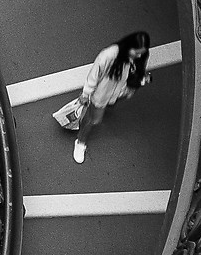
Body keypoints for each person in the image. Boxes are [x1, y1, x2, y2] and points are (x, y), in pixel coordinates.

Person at [56, 31, 154, 164]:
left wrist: (141, 79)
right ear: (128, 46)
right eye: (136, 52)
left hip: (122, 91)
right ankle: (80, 141)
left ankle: (106, 107)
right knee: (94, 120)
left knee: (110, 105)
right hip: (102, 94)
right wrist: (86, 94)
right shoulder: (108, 55)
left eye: (142, 52)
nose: (139, 56)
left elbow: (138, 70)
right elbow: (94, 75)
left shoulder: (140, 56)